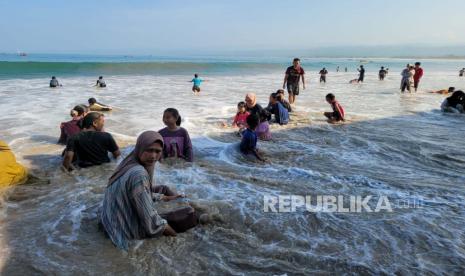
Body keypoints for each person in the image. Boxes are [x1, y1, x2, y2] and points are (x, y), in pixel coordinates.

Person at [100, 131, 199, 251]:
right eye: (149, 150)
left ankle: (178, 203)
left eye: (157, 151)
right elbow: (151, 221)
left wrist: (164, 198)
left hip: (110, 221)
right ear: (140, 148)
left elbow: (138, 192)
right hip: (124, 228)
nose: (153, 156)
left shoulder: (129, 163)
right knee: (190, 215)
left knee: (164, 189)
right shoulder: (139, 173)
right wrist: (174, 237)